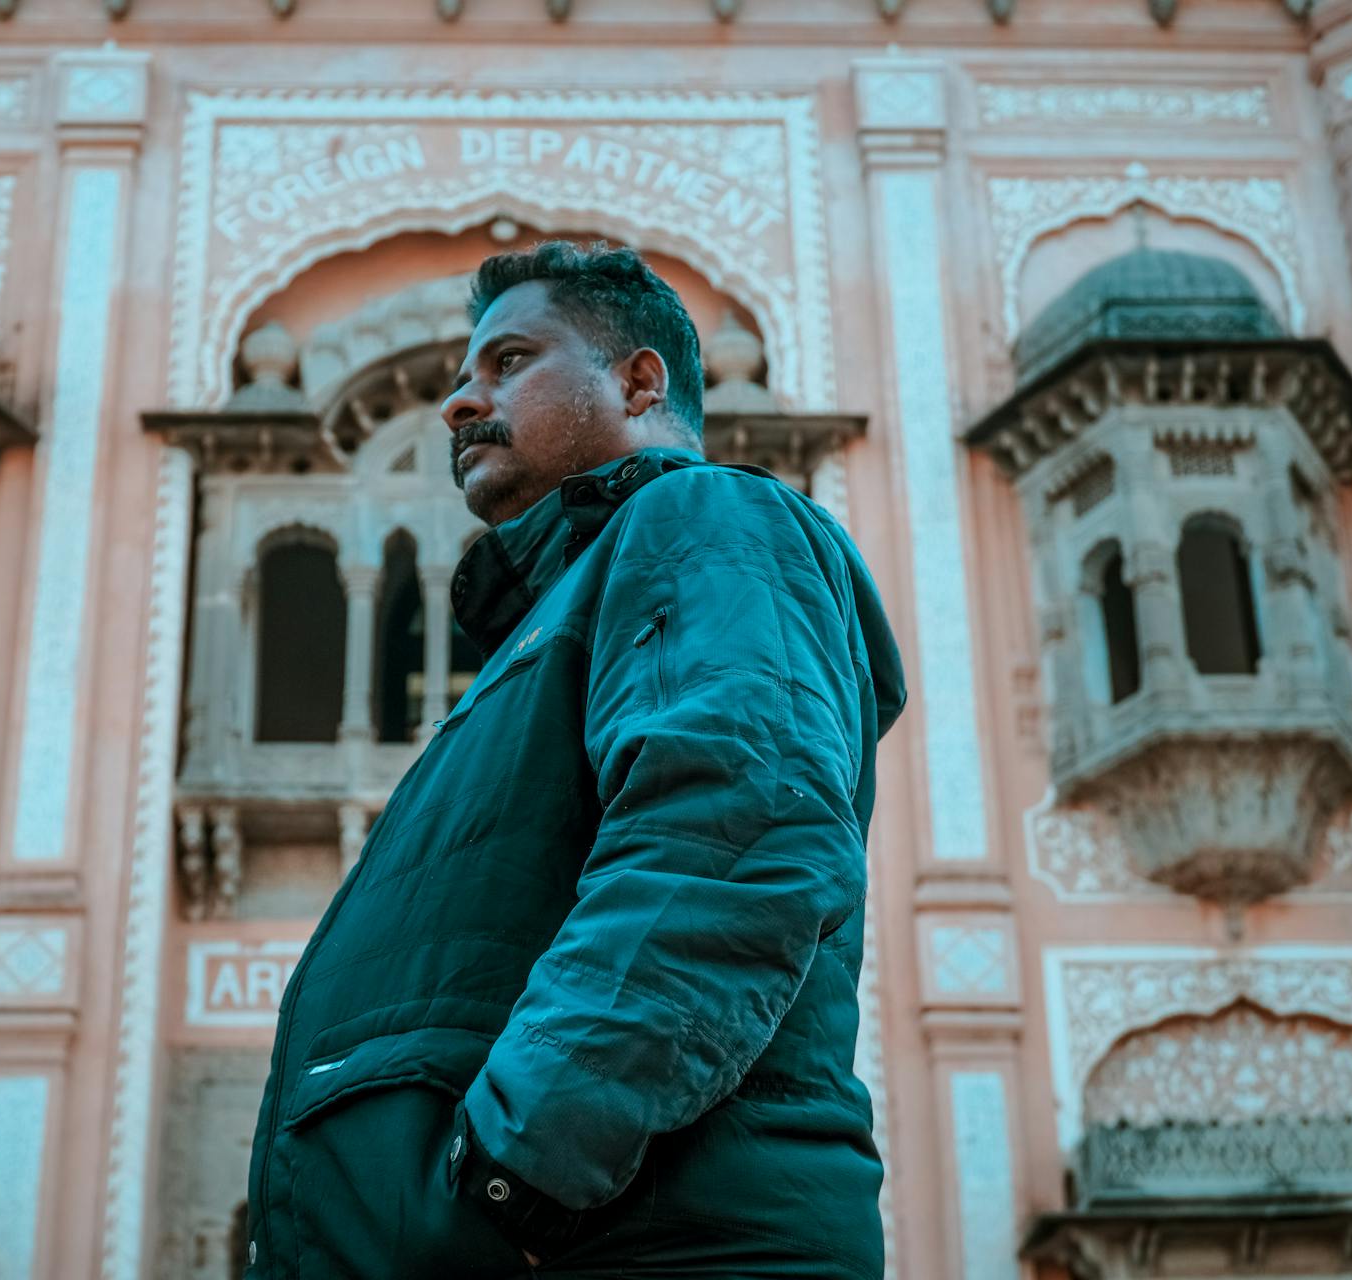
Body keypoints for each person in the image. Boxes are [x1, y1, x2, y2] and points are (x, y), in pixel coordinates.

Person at [243, 240, 906, 1279]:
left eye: (507, 362)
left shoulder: (707, 520)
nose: (462, 401)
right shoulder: (561, 615)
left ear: (640, 382)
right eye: (463, 377)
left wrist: (511, 1180)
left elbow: (735, 834)